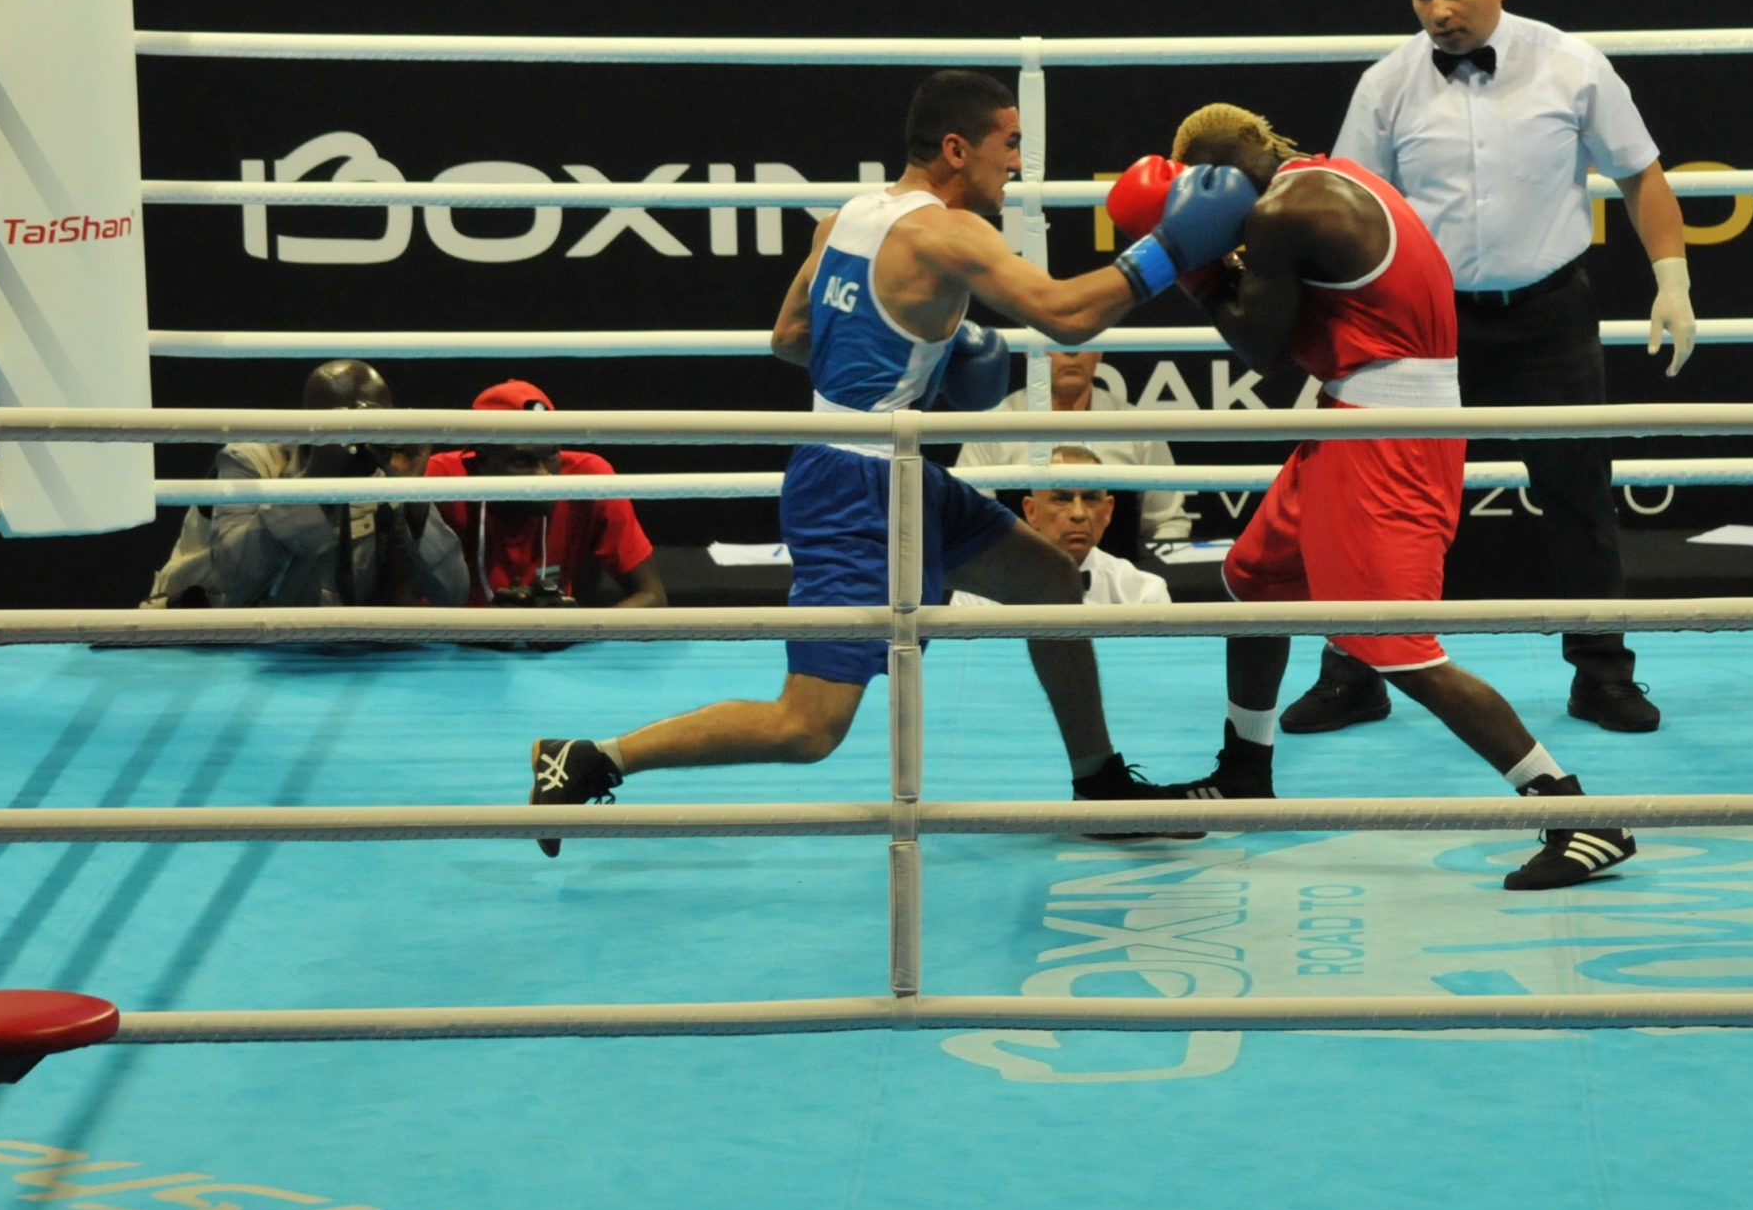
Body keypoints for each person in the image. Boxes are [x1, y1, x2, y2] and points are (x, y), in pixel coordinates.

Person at [523, 69, 1251, 854]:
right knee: (807, 726)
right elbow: (1066, 316)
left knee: (1048, 579)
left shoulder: (846, 218)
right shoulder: (949, 234)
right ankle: (591, 758)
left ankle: (1099, 785)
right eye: (1009, 144)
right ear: (956, 149)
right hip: (857, 489)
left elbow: (789, 339)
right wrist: (1173, 248)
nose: (1017, 164)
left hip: (881, 467)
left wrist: (926, 349)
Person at [1110, 103, 1635, 890]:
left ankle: (1577, 814)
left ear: (1213, 181)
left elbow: (1260, 346)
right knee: (1254, 583)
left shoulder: (1284, 214)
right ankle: (1244, 771)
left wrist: (1190, 260)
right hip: (1358, 414)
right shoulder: (1328, 177)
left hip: (1386, 436)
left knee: (1398, 647)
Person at [1284, 0, 1697, 739]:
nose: (1438, 11)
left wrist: (1673, 277)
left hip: (1549, 313)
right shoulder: (1387, 84)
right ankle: (1354, 672)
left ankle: (1602, 675)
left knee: (1578, 495)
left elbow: (1640, 173)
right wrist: (1329, 341)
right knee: (1376, 501)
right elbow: (1349, 214)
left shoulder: (1572, 64)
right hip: (1420, 326)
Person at [142, 358, 467, 608]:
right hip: (207, 636)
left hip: (319, 648)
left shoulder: (387, 473)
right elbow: (233, 575)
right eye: (347, 420)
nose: (360, 432)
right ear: (310, 420)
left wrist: (412, 494)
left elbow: (453, 593)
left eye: (374, 420)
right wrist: (316, 481)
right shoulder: (251, 459)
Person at [428, 380, 667, 610]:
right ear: (481, 459)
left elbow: (653, 597)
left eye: (552, 454)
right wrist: (485, 627)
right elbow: (409, 601)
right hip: (456, 638)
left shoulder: (589, 479)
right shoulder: (441, 481)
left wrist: (574, 627)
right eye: (523, 461)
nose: (544, 476)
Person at [951, 350, 1192, 545]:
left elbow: (1167, 523)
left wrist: (1136, 579)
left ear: (1099, 351)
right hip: (1017, 582)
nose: (1070, 351)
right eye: (1055, 338)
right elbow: (972, 524)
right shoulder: (992, 427)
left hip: (1118, 585)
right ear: (1029, 350)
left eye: (1082, 338)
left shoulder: (1137, 428)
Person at [951, 448, 1173, 608]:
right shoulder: (978, 596)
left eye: (1091, 498)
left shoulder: (1144, 593)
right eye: (1062, 499)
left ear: (1108, 511)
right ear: (1031, 511)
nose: (1078, 513)